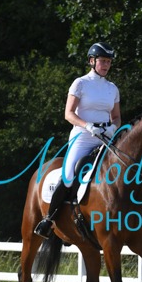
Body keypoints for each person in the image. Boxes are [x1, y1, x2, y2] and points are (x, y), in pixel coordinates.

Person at [34, 42, 122, 238]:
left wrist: (113, 127)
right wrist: (87, 125)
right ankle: (49, 219)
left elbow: (116, 117)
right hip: (82, 137)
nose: (106, 65)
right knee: (68, 177)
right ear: (92, 61)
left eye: (108, 62)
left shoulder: (112, 88)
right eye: (102, 61)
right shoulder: (80, 83)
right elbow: (68, 113)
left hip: (105, 138)